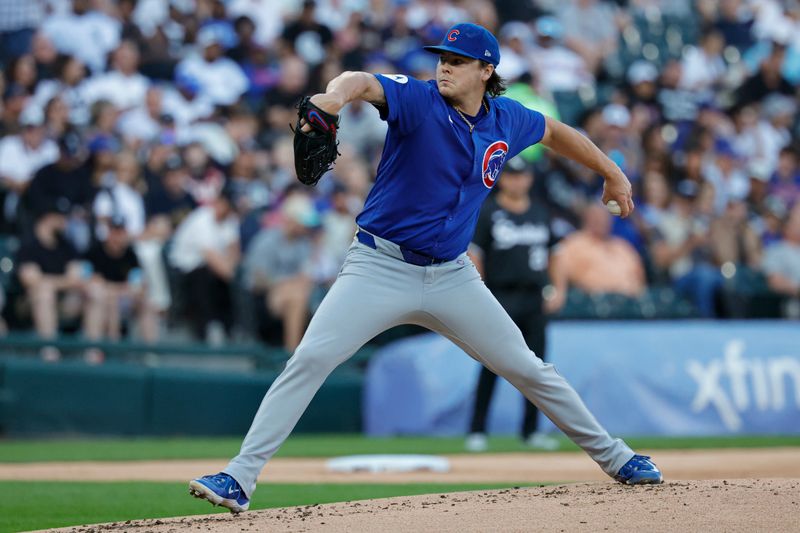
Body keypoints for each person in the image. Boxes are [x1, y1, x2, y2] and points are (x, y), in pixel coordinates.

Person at [189, 23, 662, 514]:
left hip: (453, 276)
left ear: (486, 70)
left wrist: (612, 171)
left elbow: (557, 132)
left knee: (528, 367)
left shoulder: (508, 119)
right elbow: (360, 81)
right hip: (377, 265)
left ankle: (617, 458)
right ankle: (239, 477)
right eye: (441, 57)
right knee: (309, 360)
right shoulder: (418, 101)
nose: (444, 66)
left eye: (457, 60)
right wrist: (331, 98)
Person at [464, 156, 561, 452]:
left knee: (536, 367)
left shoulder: (540, 212)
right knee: (491, 363)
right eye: (511, 176)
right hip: (500, 295)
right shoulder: (489, 212)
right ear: (502, 179)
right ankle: (477, 430)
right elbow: (475, 253)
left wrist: (558, 288)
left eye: (522, 175)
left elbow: (556, 253)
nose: (517, 181)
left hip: (534, 296)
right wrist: (478, 292)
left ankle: (530, 431)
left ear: (529, 179)